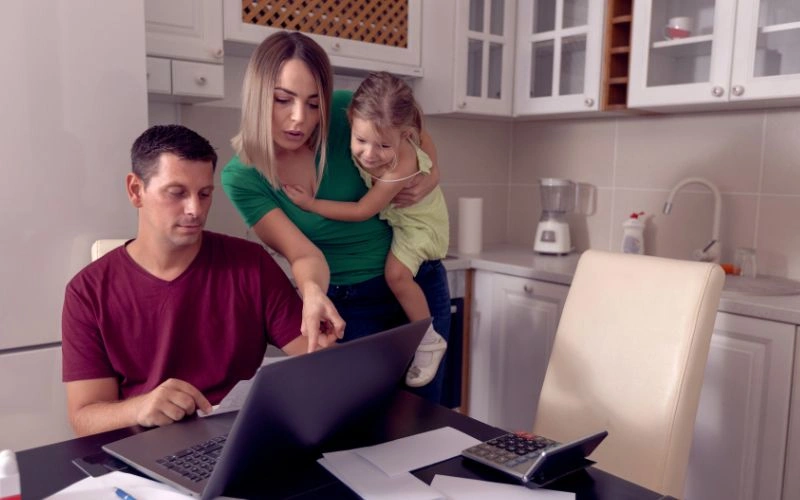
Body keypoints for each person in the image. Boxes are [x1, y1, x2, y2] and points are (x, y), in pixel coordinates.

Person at [61, 125, 336, 437]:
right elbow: (83, 419)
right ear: (136, 191)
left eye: (204, 194)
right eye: (177, 193)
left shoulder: (252, 265)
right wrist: (140, 407)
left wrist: (326, 344)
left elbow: (317, 357)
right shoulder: (87, 292)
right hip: (144, 450)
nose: (195, 209)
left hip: (240, 440)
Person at [221, 31, 452, 403]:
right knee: (358, 431)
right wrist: (312, 292)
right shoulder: (243, 177)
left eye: (314, 103)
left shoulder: (347, 116)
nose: (300, 118)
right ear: (257, 96)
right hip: (348, 306)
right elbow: (301, 253)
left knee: (426, 418)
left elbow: (414, 135)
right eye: (283, 100)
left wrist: (433, 171)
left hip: (416, 281)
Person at [283, 72, 449, 388]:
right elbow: (423, 138)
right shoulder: (367, 121)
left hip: (418, 226)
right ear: (350, 122)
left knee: (397, 276)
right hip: (400, 223)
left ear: (406, 136)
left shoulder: (400, 166)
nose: (370, 154)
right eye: (360, 141)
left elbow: (363, 211)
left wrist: (310, 204)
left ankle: (428, 339)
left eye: (384, 144)